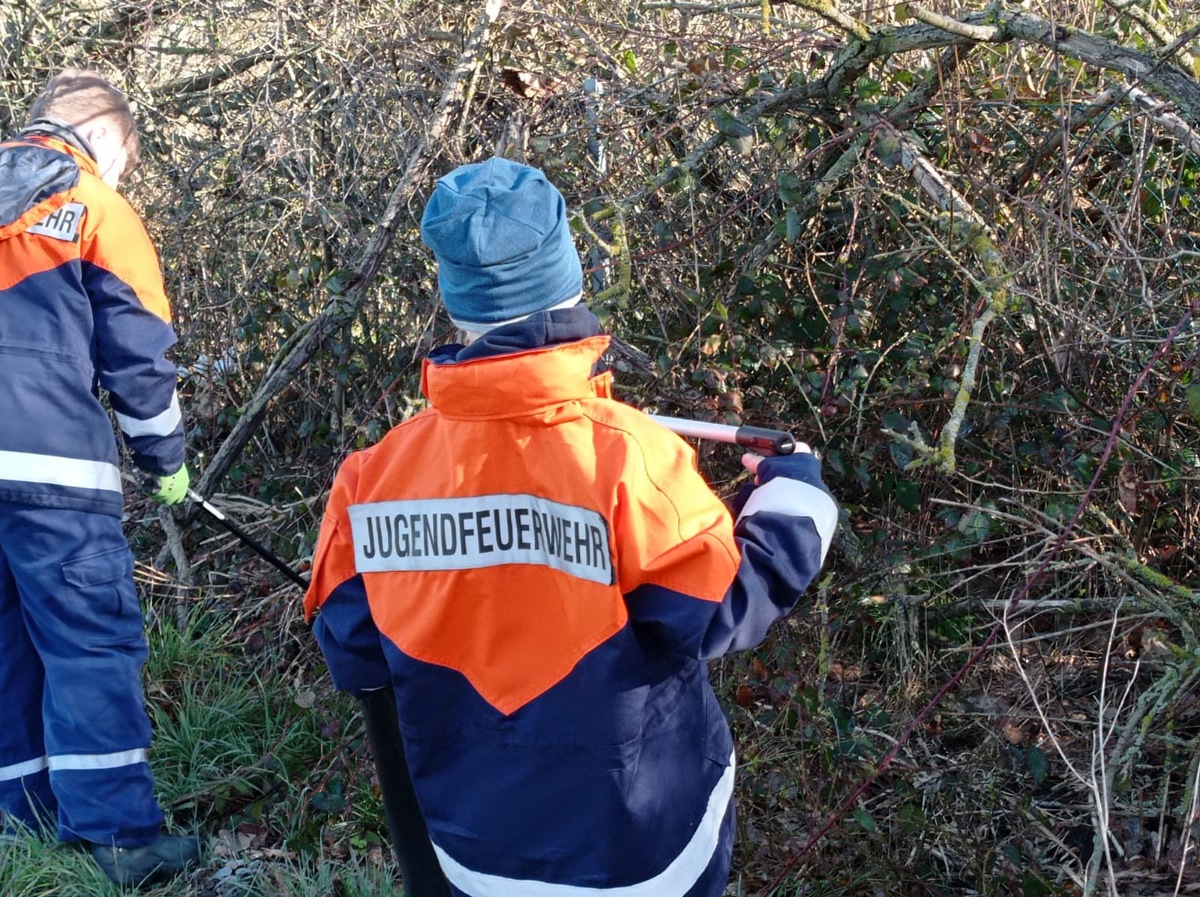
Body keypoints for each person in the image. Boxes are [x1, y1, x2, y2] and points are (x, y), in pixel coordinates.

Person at [303, 156, 838, 897]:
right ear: (570, 277)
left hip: (474, 855)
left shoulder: (374, 476)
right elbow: (723, 608)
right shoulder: (627, 455)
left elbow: (354, 655)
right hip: (643, 857)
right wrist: (797, 495)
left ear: (455, 301)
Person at [0, 68, 200, 887]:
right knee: (88, 643)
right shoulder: (97, 205)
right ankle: (120, 836)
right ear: (110, 141)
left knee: (8, 646)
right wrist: (168, 463)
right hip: (52, 473)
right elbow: (138, 358)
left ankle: (24, 825)